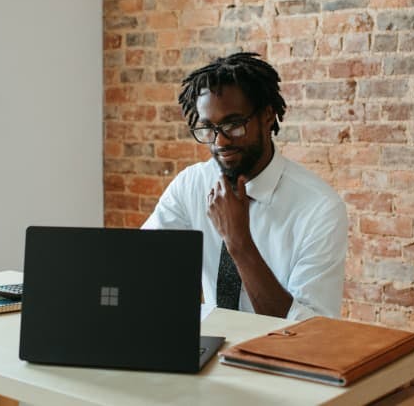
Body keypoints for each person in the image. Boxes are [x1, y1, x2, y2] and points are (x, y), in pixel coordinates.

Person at [142, 52, 348, 320]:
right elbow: (143, 264)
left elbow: (308, 332)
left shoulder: (319, 209)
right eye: (208, 129)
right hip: (209, 347)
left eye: (233, 125)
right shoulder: (191, 185)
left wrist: (238, 241)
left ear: (266, 115)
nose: (220, 142)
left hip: (278, 355)